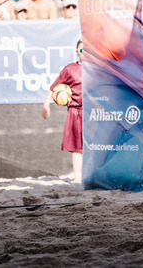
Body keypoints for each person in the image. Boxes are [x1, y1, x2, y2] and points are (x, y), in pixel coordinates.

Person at [42, 40, 83, 180]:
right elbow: (53, 87)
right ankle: (77, 176)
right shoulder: (70, 69)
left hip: (93, 112)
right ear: (77, 52)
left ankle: (91, 174)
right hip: (75, 111)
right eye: (82, 50)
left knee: (94, 145)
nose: (85, 53)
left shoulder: (97, 68)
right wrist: (46, 103)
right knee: (77, 147)